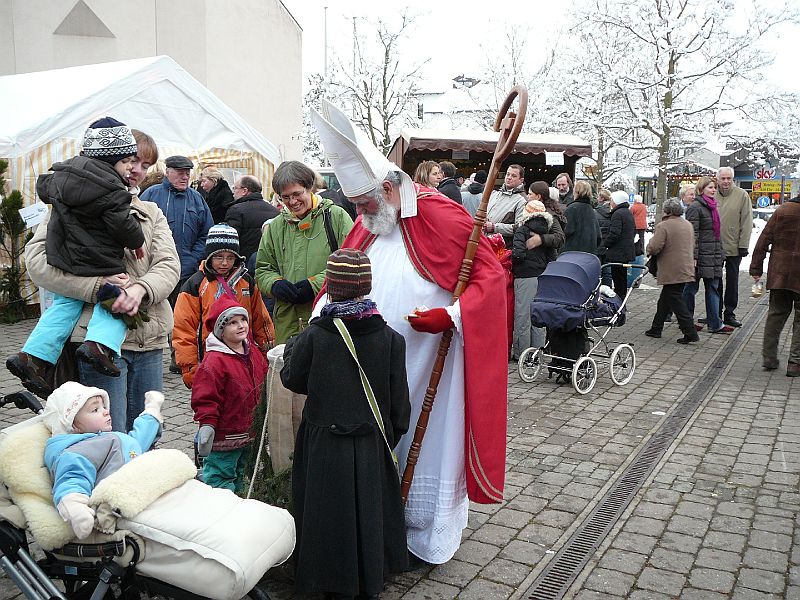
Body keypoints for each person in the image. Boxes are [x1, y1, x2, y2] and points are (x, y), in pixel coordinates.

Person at [312, 99, 507, 565]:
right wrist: (322, 312)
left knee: (427, 439)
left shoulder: (445, 216)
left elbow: (491, 280)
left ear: (389, 187)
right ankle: (381, 525)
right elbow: (334, 281)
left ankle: (425, 534)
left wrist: (453, 316)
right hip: (373, 363)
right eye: (354, 204)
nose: (359, 213)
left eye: (364, 202)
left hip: (431, 358)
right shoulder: (368, 225)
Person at [24, 130, 180, 432]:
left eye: (146, 165)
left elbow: (168, 265)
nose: (137, 170)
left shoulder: (150, 212)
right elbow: (37, 263)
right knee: (108, 434)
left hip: (148, 339)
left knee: (148, 430)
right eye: (132, 161)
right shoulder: (67, 206)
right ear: (114, 160)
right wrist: (97, 287)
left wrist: (140, 288)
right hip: (97, 344)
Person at [281, 249, 410, 599]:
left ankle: (321, 581)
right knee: (367, 513)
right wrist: (386, 434)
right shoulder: (390, 339)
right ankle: (367, 579)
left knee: (324, 514)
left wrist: (294, 346)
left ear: (331, 288)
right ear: (365, 288)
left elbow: (292, 378)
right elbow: (400, 407)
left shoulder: (315, 335)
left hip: (324, 440)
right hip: (369, 442)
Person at [7, 117, 145, 394]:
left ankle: (32, 355)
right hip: (98, 258)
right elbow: (121, 224)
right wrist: (137, 240)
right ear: (111, 160)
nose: (131, 168)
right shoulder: (112, 189)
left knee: (63, 306)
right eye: (127, 161)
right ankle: (99, 345)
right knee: (114, 298)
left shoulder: (63, 180)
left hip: (65, 257)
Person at [42, 381, 164, 539]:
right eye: (95, 410)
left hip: (143, 490)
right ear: (74, 425)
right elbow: (72, 479)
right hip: (118, 506)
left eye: (104, 407)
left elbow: (137, 441)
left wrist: (151, 412)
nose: (106, 412)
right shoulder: (76, 453)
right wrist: (75, 507)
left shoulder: (107, 438)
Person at [255, 161, 353, 344]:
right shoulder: (276, 226)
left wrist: (314, 285)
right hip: (288, 323)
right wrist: (275, 284)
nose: (292, 202)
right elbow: (263, 268)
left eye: (297, 194)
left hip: (328, 319)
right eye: (285, 197)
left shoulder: (337, 217)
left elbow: (352, 265)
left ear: (310, 188)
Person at [172, 224, 274, 388]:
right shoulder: (196, 284)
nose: (225, 263)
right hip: (210, 362)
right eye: (219, 257)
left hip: (245, 358)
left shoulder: (246, 281)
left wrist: (266, 352)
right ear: (209, 256)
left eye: (230, 257)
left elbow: (260, 320)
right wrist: (190, 368)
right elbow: (184, 329)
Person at [191, 295, 268, 491]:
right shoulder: (214, 362)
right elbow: (205, 398)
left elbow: (264, 379)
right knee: (220, 477)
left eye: (243, 320)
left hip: (249, 432)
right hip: (225, 436)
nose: (241, 325)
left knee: (241, 475)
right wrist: (207, 425)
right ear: (220, 330)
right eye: (233, 323)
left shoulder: (254, 353)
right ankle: (218, 512)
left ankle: (239, 507)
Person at [140, 155, 213, 307]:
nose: (185, 177)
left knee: (182, 315)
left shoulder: (197, 198)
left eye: (187, 173)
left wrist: (192, 259)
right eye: (180, 173)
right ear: (168, 172)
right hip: (154, 270)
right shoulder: (151, 194)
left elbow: (206, 234)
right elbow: (139, 229)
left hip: (186, 272)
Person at [511, 184, 564, 358]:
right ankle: (538, 353)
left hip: (525, 275)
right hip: (543, 274)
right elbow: (553, 254)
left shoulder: (523, 229)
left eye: (530, 194)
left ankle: (522, 354)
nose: (527, 196)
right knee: (538, 316)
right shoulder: (547, 225)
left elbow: (518, 253)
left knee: (523, 316)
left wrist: (516, 260)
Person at [749, 194, 800, 376]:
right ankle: (795, 363)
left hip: (780, 273)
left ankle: (769, 357)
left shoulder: (783, 210)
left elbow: (763, 240)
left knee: (776, 315)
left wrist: (756, 267)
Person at [644, 199, 700, 344]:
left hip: (671, 269)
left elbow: (655, 247)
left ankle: (690, 332)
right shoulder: (687, 225)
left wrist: (648, 248)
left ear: (667, 211)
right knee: (665, 299)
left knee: (675, 300)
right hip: (685, 267)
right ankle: (656, 328)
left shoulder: (664, 226)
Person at [683, 177, 734, 335]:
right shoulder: (695, 207)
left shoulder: (712, 207)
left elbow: (715, 234)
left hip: (712, 256)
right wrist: (693, 257)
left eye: (714, 187)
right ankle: (686, 321)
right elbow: (692, 235)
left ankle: (715, 323)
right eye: (710, 187)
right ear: (701, 189)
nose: (713, 190)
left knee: (713, 289)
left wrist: (720, 253)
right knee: (690, 289)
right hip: (699, 257)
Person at [716, 166, 753, 328]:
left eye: (728, 178)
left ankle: (729, 313)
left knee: (732, 282)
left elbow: (747, 221)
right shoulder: (711, 194)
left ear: (732, 179)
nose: (725, 181)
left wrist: (743, 245)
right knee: (715, 282)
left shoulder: (742, 195)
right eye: (723, 178)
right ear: (717, 179)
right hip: (714, 247)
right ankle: (715, 312)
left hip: (734, 247)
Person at [224, 175, 279, 260]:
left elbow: (230, 241)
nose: (233, 192)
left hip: (244, 262)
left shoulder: (236, 210)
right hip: (268, 261)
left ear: (244, 191)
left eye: (235, 188)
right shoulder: (274, 211)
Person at [599, 190, 636, 298]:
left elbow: (614, 233)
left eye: (612, 200)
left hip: (617, 252)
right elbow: (633, 230)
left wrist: (606, 244)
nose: (611, 203)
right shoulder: (627, 212)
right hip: (625, 250)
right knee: (622, 278)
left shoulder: (617, 214)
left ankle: (619, 300)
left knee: (618, 278)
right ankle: (622, 298)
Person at [483, 164, 526, 248]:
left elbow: (520, 227)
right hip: (484, 241)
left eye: (513, 176)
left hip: (502, 247)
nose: (509, 177)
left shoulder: (521, 200)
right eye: (508, 174)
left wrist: (494, 227)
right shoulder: (494, 194)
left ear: (521, 180)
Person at [563, 180, 601, 254]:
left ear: (576, 192)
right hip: (589, 255)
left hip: (571, 254)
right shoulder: (591, 210)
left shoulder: (571, 209)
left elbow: (566, 231)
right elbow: (598, 236)